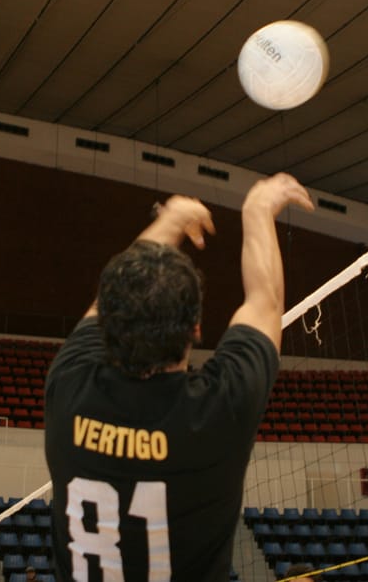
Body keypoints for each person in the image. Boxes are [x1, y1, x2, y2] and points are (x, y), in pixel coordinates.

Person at [45, 173, 314, 581]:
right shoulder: (220, 409)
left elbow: (109, 298)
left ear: (108, 325)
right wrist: (258, 209)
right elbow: (265, 300)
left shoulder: (69, 384)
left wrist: (171, 220)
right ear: (196, 329)